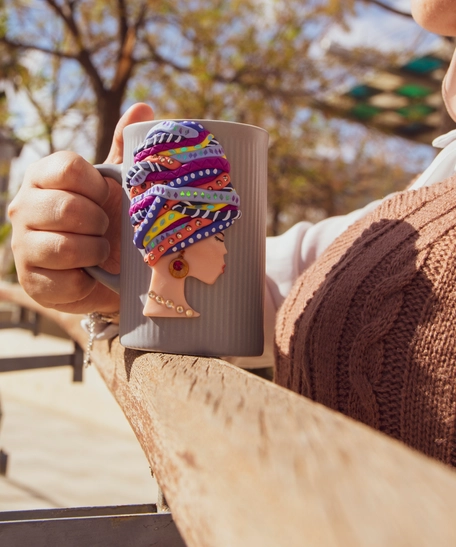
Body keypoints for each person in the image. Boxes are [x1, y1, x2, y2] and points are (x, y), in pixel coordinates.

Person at [7, 1, 456, 462]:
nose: (225, 250)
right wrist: (120, 274)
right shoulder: (441, 170)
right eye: (216, 232)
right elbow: (310, 281)